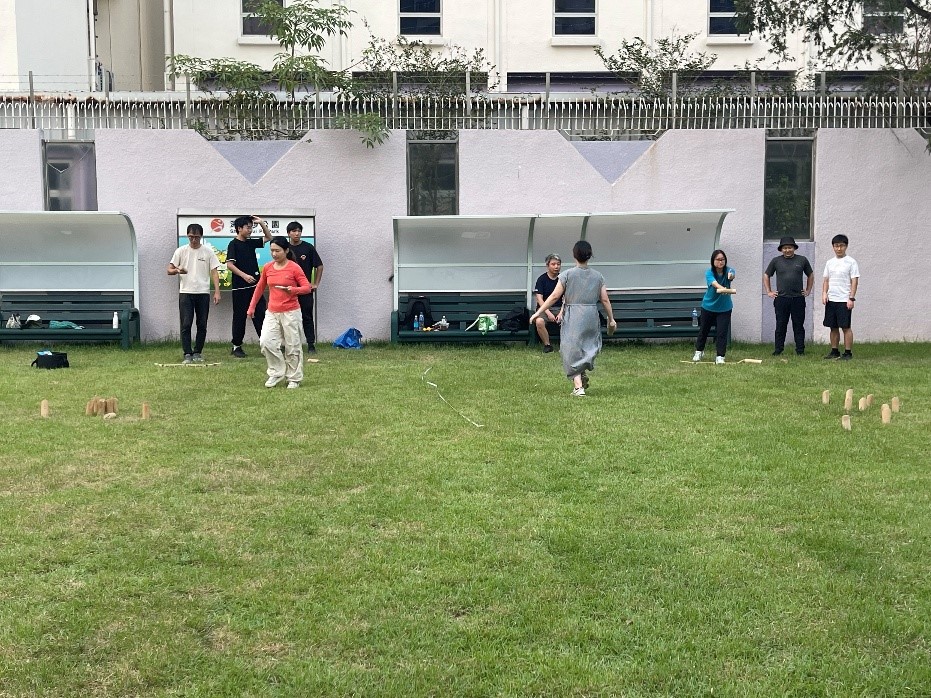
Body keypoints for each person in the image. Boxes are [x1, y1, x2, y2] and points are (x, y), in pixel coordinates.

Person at [529, 240, 616, 397]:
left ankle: (578, 387)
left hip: (574, 314)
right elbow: (604, 299)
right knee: (587, 346)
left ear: (574, 255)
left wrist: (538, 312)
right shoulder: (598, 276)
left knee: (570, 349)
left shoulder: (567, 275)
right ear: (589, 255)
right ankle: (581, 373)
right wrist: (611, 319)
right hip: (591, 314)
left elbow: (554, 296)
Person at [247, 237, 311, 388]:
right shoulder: (268, 267)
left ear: (286, 251)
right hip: (272, 312)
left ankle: (294, 378)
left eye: (277, 251)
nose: (274, 254)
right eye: (272, 251)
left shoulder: (294, 268)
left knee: (293, 345)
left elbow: (307, 287)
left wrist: (293, 290)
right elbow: (260, 287)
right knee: (266, 342)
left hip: (291, 312)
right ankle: (276, 373)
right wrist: (251, 307)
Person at [167, 223, 221, 364]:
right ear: (187, 236)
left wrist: (217, 292)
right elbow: (169, 269)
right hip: (186, 292)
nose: (194, 240)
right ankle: (187, 353)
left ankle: (197, 352)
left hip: (203, 292)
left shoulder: (208, 252)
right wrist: (178, 270)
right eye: (191, 237)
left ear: (201, 236)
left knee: (202, 324)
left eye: (196, 237)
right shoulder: (181, 251)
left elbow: (214, 272)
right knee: (186, 324)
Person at [226, 215, 272, 358]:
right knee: (240, 317)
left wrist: (262, 223)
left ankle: (267, 345)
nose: (250, 230)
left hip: (255, 287)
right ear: (239, 228)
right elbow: (229, 265)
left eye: (252, 227)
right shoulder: (233, 244)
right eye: (248, 227)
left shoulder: (251, 243)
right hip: (240, 288)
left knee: (261, 315)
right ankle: (236, 346)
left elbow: (269, 237)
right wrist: (244, 276)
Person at [763, 236, 814, 356]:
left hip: (798, 299)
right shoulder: (776, 261)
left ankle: (800, 350)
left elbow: (810, 275)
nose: (787, 250)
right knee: (780, 325)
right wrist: (769, 291)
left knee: (798, 325)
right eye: (785, 248)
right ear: (781, 249)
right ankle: (778, 350)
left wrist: (808, 290)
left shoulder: (802, 260)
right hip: (781, 299)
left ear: (794, 248)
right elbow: (766, 275)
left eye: (790, 247)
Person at [286, 221, 324, 357]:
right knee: (288, 318)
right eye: (294, 231)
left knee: (307, 316)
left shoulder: (308, 247)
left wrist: (315, 283)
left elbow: (319, 266)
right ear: (288, 233)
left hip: (304, 290)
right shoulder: (285, 249)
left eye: (299, 231)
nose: (297, 233)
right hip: (289, 290)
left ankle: (311, 344)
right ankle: (289, 344)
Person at [692, 249, 736, 365]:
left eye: (722, 260)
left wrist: (730, 276)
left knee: (722, 332)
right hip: (708, 307)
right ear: (713, 261)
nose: (720, 262)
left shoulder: (729, 270)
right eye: (718, 259)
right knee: (704, 330)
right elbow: (714, 284)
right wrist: (723, 288)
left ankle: (720, 356)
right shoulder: (709, 272)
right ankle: (699, 351)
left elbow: (731, 275)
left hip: (725, 308)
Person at [821, 234, 860, 360]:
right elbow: (826, 280)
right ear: (833, 247)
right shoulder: (829, 263)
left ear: (846, 246)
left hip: (844, 300)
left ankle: (848, 353)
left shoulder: (851, 262)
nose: (839, 248)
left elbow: (854, 281)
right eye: (836, 246)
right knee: (833, 327)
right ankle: (834, 351)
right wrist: (824, 293)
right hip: (831, 299)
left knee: (846, 327)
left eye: (841, 246)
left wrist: (851, 298)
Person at [532, 253, 563, 353]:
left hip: (560, 308)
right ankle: (547, 345)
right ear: (547, 265)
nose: (556, 266)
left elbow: (567, 299)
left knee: (571, 321)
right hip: (544, 309)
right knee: (539, 321)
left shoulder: (563, 279)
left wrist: (561, 313)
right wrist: (548, 313)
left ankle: (565, 345)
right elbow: (539, 299)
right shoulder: (541, 279)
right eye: (553, 264)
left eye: (558, 264)